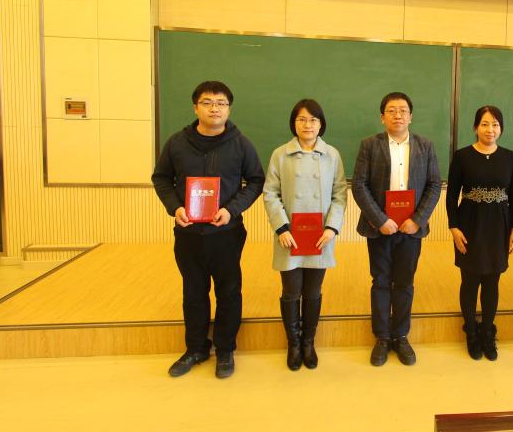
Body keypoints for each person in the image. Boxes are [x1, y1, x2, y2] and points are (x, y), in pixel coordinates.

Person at [151, 80, 265, 379]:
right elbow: (161, 178)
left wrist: (231, 209)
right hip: (188, 234)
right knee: (193, 291)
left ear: (229, 108)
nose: (215, 108)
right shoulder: (177, 143)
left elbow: (256, 181)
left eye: (221, 103)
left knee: (229, 291)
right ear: (195, 107)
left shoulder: (241, 144)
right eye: (207, 102)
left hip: (226, 233)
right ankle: (196, 348)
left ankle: (225, 349)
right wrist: (174, 207)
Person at [352, 92, 442, 367]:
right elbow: (359, 185)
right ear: (382, 117)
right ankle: (382, 337)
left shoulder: (425, 146)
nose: (398, 115)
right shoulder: (370, 145)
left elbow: (434, 184)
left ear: (410, 116)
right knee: (380, 281)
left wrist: (417, 219)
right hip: (380, 228)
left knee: (404, 282)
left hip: (411, 228)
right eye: (391, 110)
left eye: (403, 110)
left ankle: (401, 336)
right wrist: (380, 219)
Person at [263, 99, 347, 371]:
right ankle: (293, 343)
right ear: (294, 123)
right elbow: (270, 193)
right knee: (291, 291)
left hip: (321, 237)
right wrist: (281, 227)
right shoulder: (280, 154)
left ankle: (308, 342)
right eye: (301, 119)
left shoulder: (332, 155)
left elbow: (340, 194)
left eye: (313, 119)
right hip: (289, 236)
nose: (307, 124)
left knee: (312, 291)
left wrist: (332, 228)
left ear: (321, 124)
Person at [447, 105, 513, 361]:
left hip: (499, 226)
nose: (490, 129)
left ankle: (488, 331)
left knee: (492, 281)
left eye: (495, 124)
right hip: (469, 224)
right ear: (475, 127)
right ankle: (470, 331)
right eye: (485, 124)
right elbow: (451, 196)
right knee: (470, 281)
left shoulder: (509, 157)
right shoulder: (462, 156)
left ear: (501, 128)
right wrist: (454, 227)